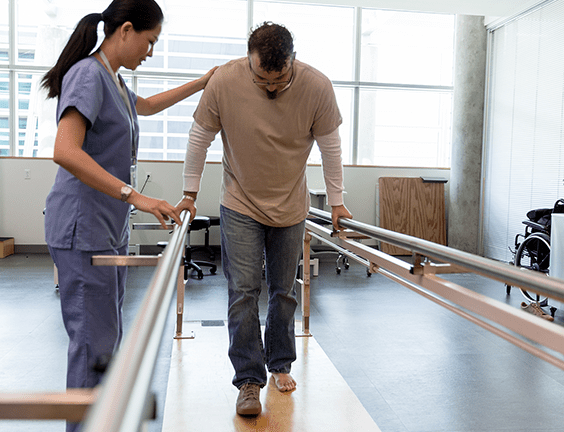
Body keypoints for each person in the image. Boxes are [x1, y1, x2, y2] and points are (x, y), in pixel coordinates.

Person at [40, 1, 214, 430]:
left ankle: (104, 420)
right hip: (83, 229)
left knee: (106, 337)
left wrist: (205, 82)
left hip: (105, 227)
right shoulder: (87, 74)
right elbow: (65, 150)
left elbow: (150, 105)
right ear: (126, 30)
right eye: (150, 41)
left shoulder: (113, 80)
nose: (150, 52)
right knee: (91, 343)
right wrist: (136, 197)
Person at [176, 22, 352, 417]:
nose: (271, 88)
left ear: (293, 61)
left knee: (284, 290)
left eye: (280, 79)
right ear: (249, 62)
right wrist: (189, 193)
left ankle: (280, 364)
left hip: (291, 206)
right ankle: (249, 379)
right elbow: (199, 136)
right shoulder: (224, 81)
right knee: (243, 290)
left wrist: (337, 202)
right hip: (239, 202)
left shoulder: (317, 86)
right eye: (262, 80)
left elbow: (331, 147)